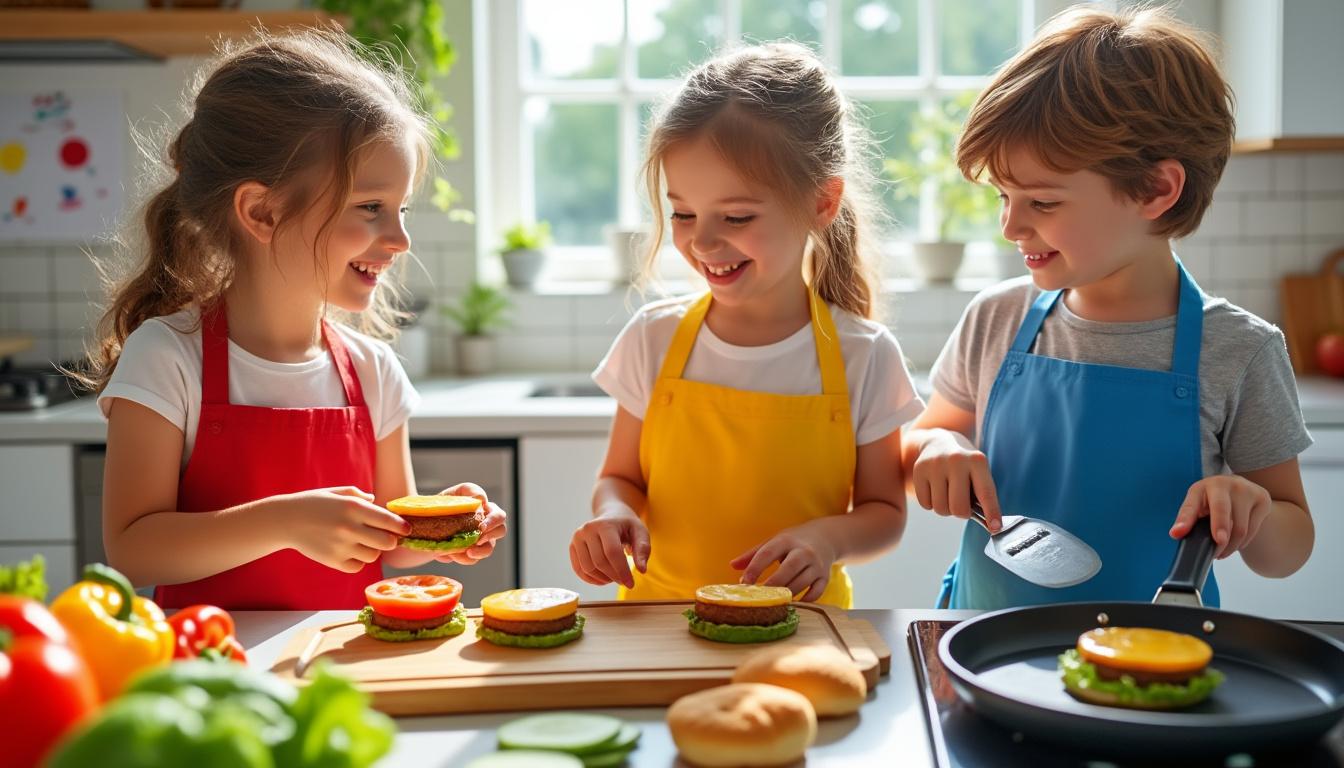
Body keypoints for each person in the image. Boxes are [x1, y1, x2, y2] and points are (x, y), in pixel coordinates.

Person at [901, 6, 1314, 610]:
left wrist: (1253, 512)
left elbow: (1290, 547)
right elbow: (922, 439)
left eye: (1042, 201)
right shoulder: (997, 318)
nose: (1010, 225)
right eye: (1003, 196)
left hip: (1148, 669)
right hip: (975, 648)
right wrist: (935, 450)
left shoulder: (1240, 351)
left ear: (1155, 189)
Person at [83, 30, 507, 610]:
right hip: (215, 671)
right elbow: (132, 549)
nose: (401, 239)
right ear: (263, 211)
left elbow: (391, 540)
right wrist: (285, 522)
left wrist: (439, 528)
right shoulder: (167, 357)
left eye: (401, 209)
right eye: (370, 208)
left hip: (344, 666)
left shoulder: (372, 369)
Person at [569, 42, 923, 608]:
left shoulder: (866, 354)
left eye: (736, 216)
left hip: (803, 629)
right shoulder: (651, 339)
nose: (702, 242)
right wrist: (612, 515)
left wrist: (827, 540)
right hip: (656, 627)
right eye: (683, 213)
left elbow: (885, 514)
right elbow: (619, 478)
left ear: (821, 202)